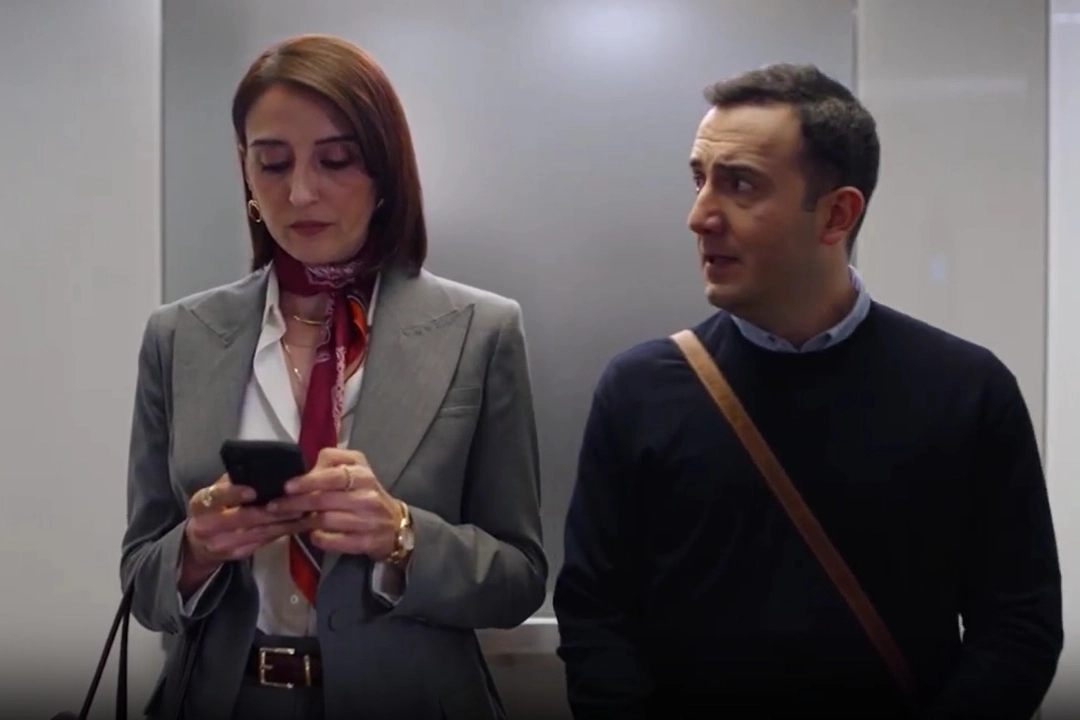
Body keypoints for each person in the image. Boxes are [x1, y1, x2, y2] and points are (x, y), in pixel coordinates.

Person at [553, 63, 1062, 720]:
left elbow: (1019, 624)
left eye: (740, 184)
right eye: (699, 179)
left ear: (836, 215)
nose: (699, 216)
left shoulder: (967, 391)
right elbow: (595, 615)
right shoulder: (639, 389)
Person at [120, 34, 546, 720]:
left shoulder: (480, 331)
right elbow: (141, 580)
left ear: (384, 172)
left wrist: (402, 534)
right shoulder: (180, 337)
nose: (300, 191)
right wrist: (195, 550)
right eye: (272, 163)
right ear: (247, 174)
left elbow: (519, 579)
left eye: (336, 160)